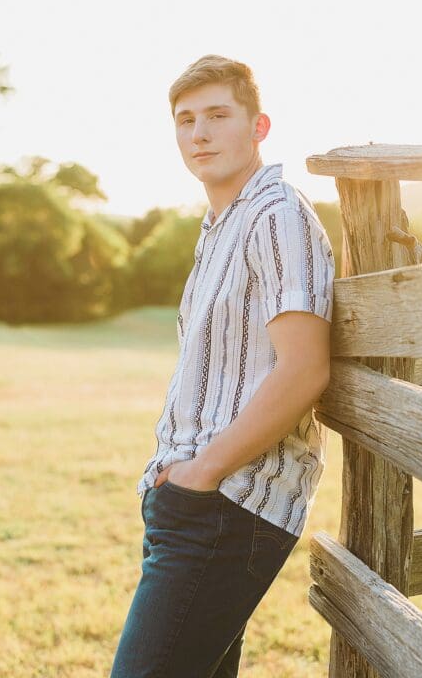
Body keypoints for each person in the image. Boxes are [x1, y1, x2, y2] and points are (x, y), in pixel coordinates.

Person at [110, 55, 335, 678]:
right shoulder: (222, 224)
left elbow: (304, 369)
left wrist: (202, 473)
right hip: (195, 498)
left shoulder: (276, 215)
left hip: (230, 501)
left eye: (217, 115)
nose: (199, 133)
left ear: (259, 127)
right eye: (186, 120)